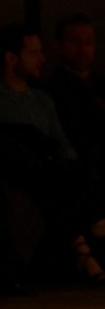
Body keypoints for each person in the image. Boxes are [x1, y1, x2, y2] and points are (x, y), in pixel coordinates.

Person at [0, 23, 105, 284]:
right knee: (54, 179)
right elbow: (6, 145)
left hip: (51, 166)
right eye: (34, 52)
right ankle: (86, 238)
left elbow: (60, 141)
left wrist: (72, 166)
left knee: (72, 173)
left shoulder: (42, 99)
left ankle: (82, 246)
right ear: (12, 58)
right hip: (21, 168)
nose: (43, 58)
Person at [46, 13, 105, 182]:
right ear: (58, 46)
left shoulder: (101, 84)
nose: (83, 49)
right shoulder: (54, 90)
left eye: (89, 42)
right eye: (75, 41)